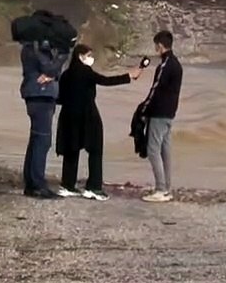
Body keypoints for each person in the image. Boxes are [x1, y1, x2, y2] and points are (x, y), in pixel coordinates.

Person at [55, 44, 142, 200]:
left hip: (68, 116)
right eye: (88, 55)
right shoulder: (86, 72)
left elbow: (59, 98)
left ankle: (67, 185)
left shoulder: (66, 74)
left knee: (71, 150)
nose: (91, 58)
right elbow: (105, 81)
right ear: (80, 56)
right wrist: (128, 76)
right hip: (88, 115)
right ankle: (93, 187)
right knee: (95, 149)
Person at [20, 39, 70, 199]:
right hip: (40, 96)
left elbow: (52, 72)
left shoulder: (30, 47)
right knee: (43, 140)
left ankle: (31, 182)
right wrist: (63, 55)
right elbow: (50, 68)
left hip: (38, 95)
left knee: (36, 139)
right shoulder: (37, 48)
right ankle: (37, 185)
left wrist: (52, 74)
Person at [140, 30, 183, 202]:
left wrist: (144, 109)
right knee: (165, 150)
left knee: (153, 150)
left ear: (159, 45)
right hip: (170, 112)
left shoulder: (165, 65)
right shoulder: (177, 64)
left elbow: (155, 89)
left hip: (159, 112)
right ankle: (167, 188)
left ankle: (160, 189)